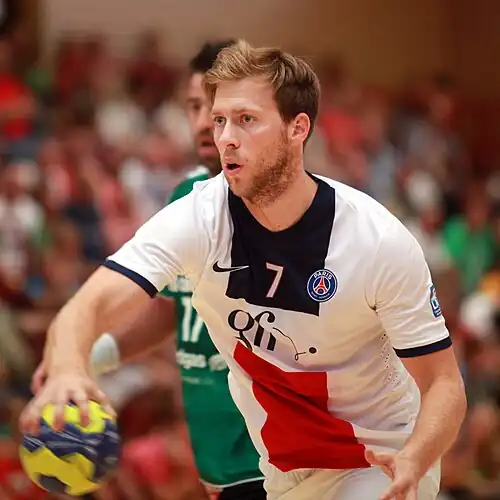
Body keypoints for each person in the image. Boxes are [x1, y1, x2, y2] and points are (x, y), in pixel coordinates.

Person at [21, 40, 467, 500]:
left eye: (246, 120)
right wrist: (69, 369)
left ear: (298, 128)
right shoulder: (199, 217)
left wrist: (417, 456)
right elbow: (90, 304)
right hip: (284, 473)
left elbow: (444, 383)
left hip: (378, 460)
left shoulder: (376, 241)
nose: (226, 137)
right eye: (220, 120)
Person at [31, 41, 265, 500]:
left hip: (272, 456)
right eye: (194, 107)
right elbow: (171, 308)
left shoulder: (277, 205)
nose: (204, 122)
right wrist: (84, 361)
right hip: (216, 453)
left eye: (217, 108)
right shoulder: (186, 196)